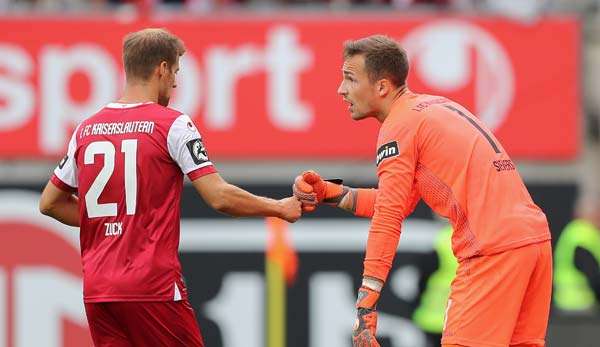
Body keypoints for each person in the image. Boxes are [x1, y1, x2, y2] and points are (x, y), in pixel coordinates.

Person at [39, 28, 301, 347]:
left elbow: (50, 203)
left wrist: (116, 222)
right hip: (152, 287)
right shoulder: (172, 124)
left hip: (99, 291)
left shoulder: (86, 129)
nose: (175, 83)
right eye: (175, 71)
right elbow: (218, 196)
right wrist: (279, 208)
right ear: (162, 69)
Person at [293, 35, 552, 347]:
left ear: (381, 87)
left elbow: (388, 219)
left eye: (350, 78)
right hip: (533, 242)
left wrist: (366, 305)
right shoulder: (432, 108)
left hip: (491, 250)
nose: (341, 89)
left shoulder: (399, 125)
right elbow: (395, 203)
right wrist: (330, 193)